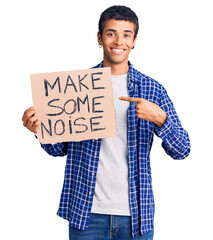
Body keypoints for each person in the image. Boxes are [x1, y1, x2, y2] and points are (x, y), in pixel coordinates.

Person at [22, 5, 191, 240]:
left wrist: (161, 120)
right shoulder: (77, 88)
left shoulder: (153, 90)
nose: (118, 41)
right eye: (111, 33)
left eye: (126, 34)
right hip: (86, 214)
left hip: (136, 215)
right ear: (99, 38)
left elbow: (182, 150)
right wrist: (39, 130)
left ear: (134, 41)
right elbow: (59, 149)